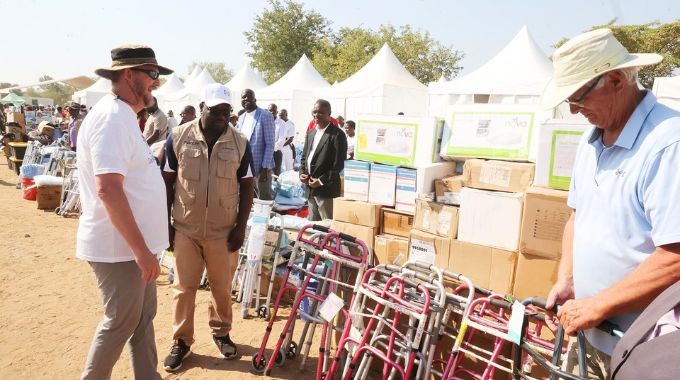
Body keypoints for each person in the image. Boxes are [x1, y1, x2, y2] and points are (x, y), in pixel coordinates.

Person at [541, 29, 680, 379]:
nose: (573, 109)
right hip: (590, 335)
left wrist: (597, 305)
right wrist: (568, 279)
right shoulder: (592, 142)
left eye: (577, 97)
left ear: (616, 79)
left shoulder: (668, 144)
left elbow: (674, 256)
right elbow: (577, 218)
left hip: (645, 352)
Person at [76, 44, 172, 380]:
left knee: (141, 320)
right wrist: (141, 251)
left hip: (134, 249)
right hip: (121, 250)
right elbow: (109, 189)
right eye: (153, 74)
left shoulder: (123, 115)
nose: (157, 83)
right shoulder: (112, 117)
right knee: (120, 322)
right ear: (128, 74)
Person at [161, 83, 254, 371]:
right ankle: (182, 341)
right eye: (215, 110)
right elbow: (166, 181)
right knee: (183, 288)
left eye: (226, 111)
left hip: (223, 231)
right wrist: (165, 225)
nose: (221, 116)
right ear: (203, 107)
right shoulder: (178, 136)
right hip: (186, 228)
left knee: (221, 287)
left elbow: (248, 186)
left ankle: (222, 332)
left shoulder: (239, 142)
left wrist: (240, 228)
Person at [300, 99, 347, 221]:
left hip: (326, 189)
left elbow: (338, 164)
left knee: (327, 225)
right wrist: (302, 173)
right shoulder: (311, 132)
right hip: (310, 187)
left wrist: (321, 181)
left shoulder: (337, 135)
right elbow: (304, 157)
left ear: (329, 113)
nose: (316, 115)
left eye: (320, 112)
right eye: (314, 112)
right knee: (313, 225)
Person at [236, 89, 275, 200]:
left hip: (261, 168)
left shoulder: (265, 115)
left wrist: (264, 169)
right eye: (243, 97)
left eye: (249, 97)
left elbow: (270, 144)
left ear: (255, 99)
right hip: (244, 167)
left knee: (264, 199)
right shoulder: (242, 117)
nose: (246, 99)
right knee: (248, 199)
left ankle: (267, 217)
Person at [269, 103, 286, 176]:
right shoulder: (265, 121)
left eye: (274, 110)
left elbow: (282, 139)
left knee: (275, 174)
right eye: (270, 110)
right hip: (265, 152)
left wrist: (271, 148)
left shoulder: (281, 123)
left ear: (277, 112)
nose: (272, 112)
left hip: (276, 152)